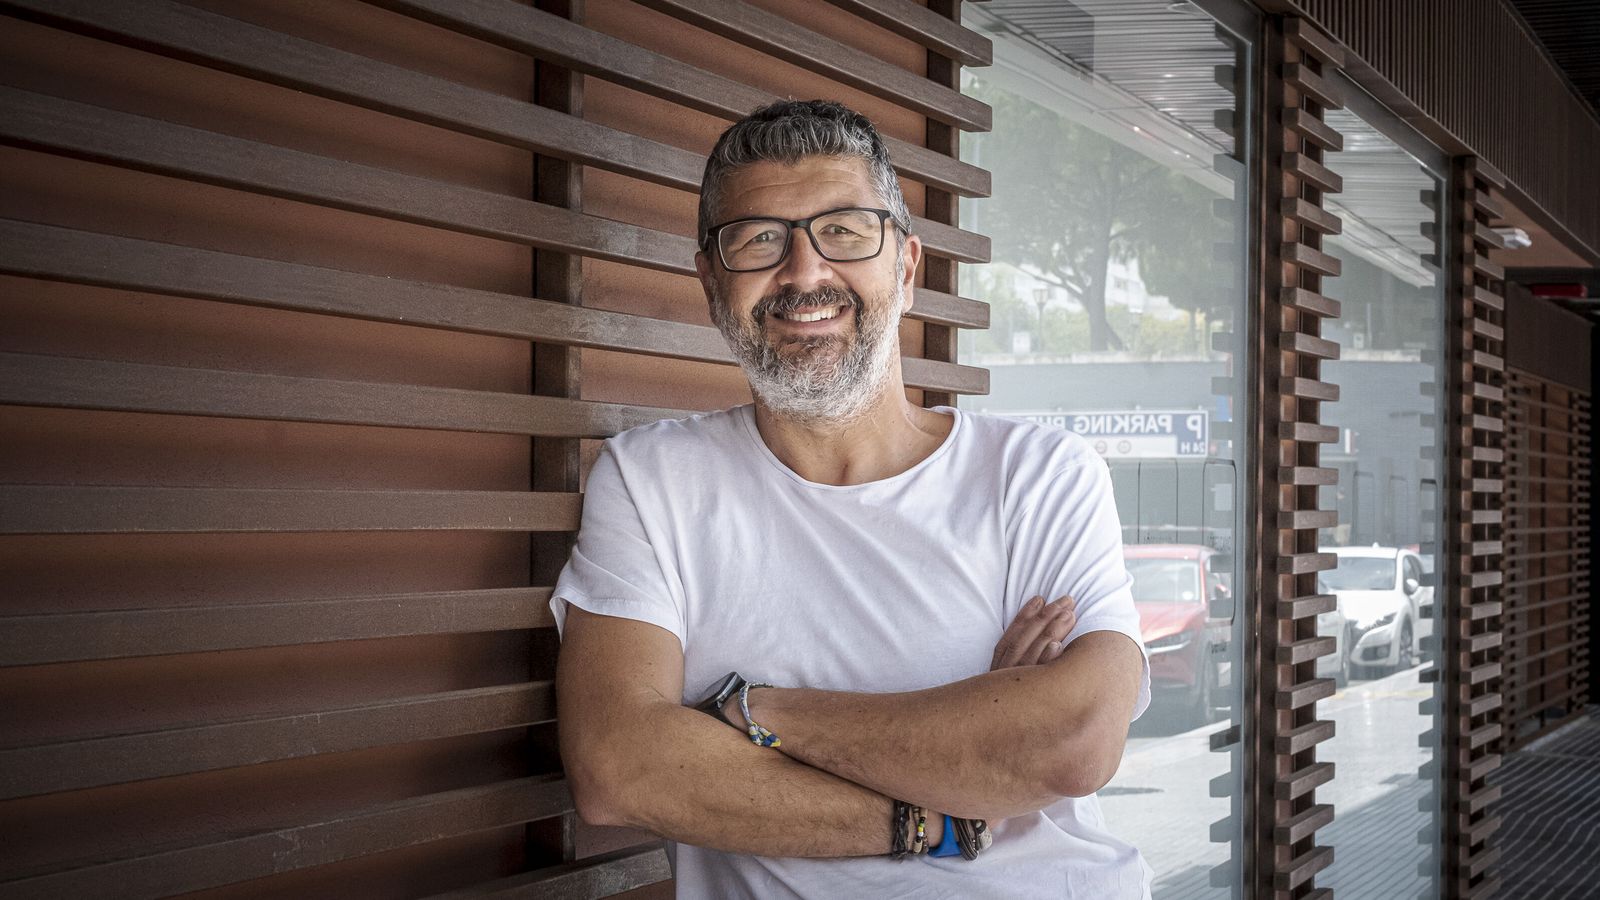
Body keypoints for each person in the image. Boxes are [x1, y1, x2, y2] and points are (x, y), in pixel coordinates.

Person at [553, 99, 1151, 898]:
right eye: (759, 239)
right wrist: (943, 806)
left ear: (906, 267)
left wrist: (757, 714)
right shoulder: (651, 481)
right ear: (710, 280)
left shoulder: (1039, 475)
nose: (804, 273)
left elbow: (1072, 741)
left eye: (843, 231)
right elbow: (619, 770)